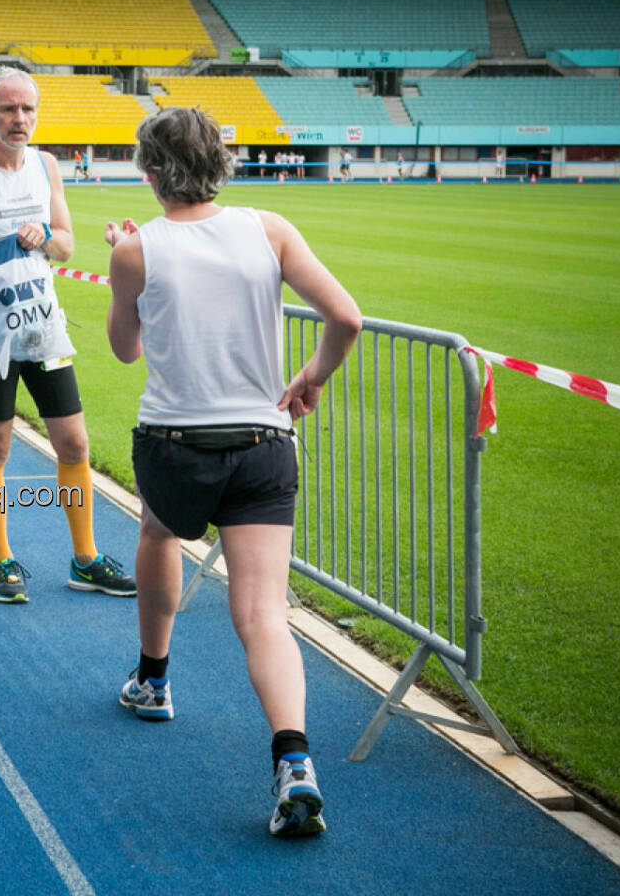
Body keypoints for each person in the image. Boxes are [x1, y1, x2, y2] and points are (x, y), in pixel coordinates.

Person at [102, 107, 361, 837]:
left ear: (151, 174)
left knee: (158, 533)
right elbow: (346, 318)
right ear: (220, 161)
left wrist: (125, 261)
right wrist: (311, 376)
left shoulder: (137, 250)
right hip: (262, 441)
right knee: (261, 616)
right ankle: (295, 761)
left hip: (176, 442)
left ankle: (153, 680)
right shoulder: (269, 228)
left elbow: (125, 349)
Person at [0, 67, 135, 604]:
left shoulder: (47, 166)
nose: (19, 119)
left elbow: (67, 245)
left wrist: (45, 236)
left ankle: (85, 558)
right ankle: (3, 562)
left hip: (44, 327)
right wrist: (9, 253)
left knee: (74, 442)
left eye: (27, 110)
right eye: (8, 109)